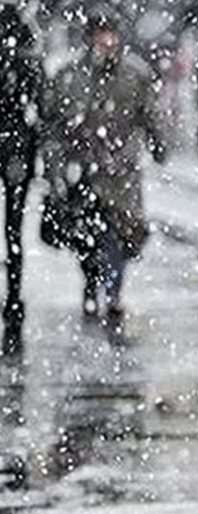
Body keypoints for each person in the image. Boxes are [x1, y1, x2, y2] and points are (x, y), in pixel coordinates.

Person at [42, 6, 167, 343]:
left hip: (121, 170)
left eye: (111, 34)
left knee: (121, 235)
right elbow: (54, 125)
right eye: (101, 34)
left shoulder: (134, 74)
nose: (107, 41)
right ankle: (92, 283)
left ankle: (112, 293)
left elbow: (149, 114)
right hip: (83, 170)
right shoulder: (71, 75)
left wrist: (158, 144)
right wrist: (56, 167)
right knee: (87, 237)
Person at [0, 4, 41, 356]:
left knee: (13, 230)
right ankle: (13, 303)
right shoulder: (24, 32)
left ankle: (13, 303)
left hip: (16, 144)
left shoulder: (22, 32)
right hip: (17, 144)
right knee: (13, 230)